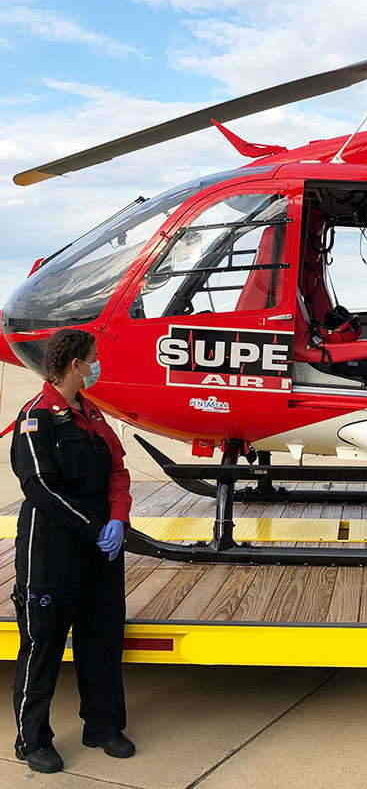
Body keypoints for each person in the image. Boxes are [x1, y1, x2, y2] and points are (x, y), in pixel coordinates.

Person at [10, 328, 134, 774]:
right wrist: (94, 525)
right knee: (42, 645)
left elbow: (117, 470)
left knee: (101, 640)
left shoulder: (93, 415)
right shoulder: (36, 419)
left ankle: (103, 726)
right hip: (51, 550)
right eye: (94, 358)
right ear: (75, 364)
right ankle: (32, 738)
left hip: (101, 551)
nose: (98, 364)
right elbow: (39, 487)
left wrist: (118, 518)